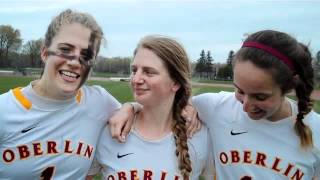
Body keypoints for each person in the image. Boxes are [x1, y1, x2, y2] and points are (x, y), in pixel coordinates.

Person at [110, 30, 320, 179]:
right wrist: (130, 107)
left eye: (260, 97)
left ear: (290, 86)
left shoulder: (316, 131)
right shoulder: (217, 107)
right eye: (239, 90)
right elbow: (166, 103)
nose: (245, 106)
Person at [0, 9, 126, 179]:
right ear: (44, 52)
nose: (75, 62)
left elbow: (146, 118)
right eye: (65, 49)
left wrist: (130, 108)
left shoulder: (99, 102)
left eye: (86, 55)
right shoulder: (4, 110)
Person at [87, 35, 214, 180]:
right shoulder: (113, 130)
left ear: (175, 83)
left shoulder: (199, 136)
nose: (136, 79)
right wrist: (130, 106)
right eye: (135, 70)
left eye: (149, 72)